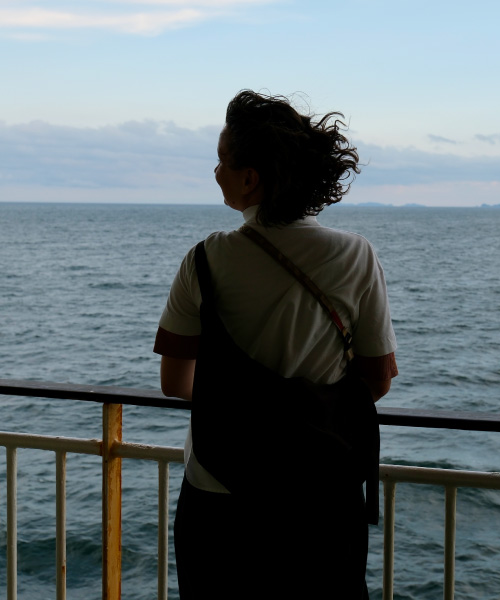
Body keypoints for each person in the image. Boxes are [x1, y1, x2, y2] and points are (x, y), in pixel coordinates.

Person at [154, 90, 397, 599]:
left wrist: (244, 404)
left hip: (220, 494)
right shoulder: (357, 255)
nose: (214, 172)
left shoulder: (205, 260)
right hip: (321, 497)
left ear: (250, 179)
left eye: (222, 161)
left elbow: (175, 382)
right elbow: (376, 382)